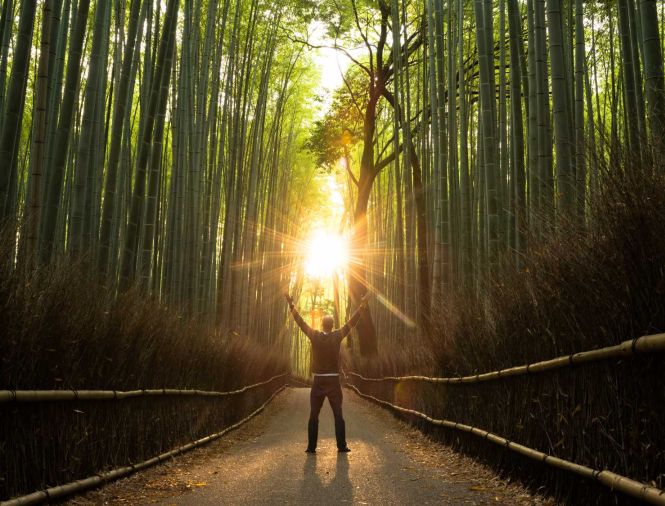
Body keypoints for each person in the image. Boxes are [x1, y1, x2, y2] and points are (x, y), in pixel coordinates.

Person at [284, 292, 371, 454]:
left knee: (313, 415)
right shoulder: (337, 335)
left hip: (317, 382)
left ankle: (311, 448)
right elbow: (352, 323)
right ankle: (341, 446)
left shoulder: (315, 335)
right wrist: (362, 306)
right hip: (333, 381)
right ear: (331, 326)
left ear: (322, 325)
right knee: (338, 414)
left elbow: (300, 322)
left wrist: (292, 305)